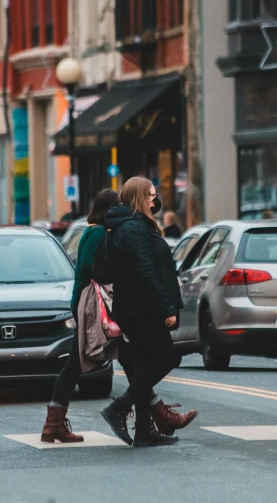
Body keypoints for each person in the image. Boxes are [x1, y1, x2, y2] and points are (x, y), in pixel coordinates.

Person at [41, 189, 196, 444]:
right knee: (77, 364)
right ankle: (54, 423)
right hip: (95, 307)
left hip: (98, 306)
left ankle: (158, 416)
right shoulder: (97, 232)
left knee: (130, 362)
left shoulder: (97, 231)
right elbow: (97, 270)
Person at [100, 177, 186, 447]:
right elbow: (146, 271)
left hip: (136, 307)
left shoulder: (132, 226)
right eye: (150, 195)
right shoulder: (133, 229)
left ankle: (143, 431)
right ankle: (119, 408)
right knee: (165, 359)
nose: (154, 199)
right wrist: (166, 307)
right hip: (143, 309)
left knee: (142, 367)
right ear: (139, 197)